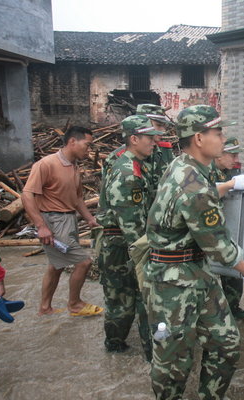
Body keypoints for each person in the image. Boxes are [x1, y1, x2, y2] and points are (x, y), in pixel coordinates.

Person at [142, 105, 244, 400]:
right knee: (173, 362)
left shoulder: (187, 165)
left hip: (197, 271)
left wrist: (229, 185)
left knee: (226, 344)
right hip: (172, 281)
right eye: (218, 132)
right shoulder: (193, 182)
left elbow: (202, 195)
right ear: (199, 138)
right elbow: (217, 244)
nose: (223, 138)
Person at [97, 115, 161, 358]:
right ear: (134, 139)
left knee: (128, 299)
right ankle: (117, 347)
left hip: (124, 244)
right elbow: (132, 228)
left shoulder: (135, 166)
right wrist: (149, 257)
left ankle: (127, 348)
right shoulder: (128, 173)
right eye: (149, 137)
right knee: (125, 300)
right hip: (122, 247)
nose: (154, 141)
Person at [22, 126, 103, 316]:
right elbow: (27, 195)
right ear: (72, 141)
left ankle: (45, 308)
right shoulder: (46, 164)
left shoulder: (74, 166)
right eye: (87, 144)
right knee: (84, 262)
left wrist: (90, 219)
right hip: (53, 222)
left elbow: (77, 199)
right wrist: (41, 226)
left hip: (69, 220)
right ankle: (74, 304)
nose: (89, 149)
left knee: (56, 266)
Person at [211, 137, 244, 320]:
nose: (235, 159)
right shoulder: (205, 173)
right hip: (208, 234)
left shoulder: (229, 173)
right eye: (232, 154)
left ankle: (233, 308)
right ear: (219, 154)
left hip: (226, 231)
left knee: (234, 275)